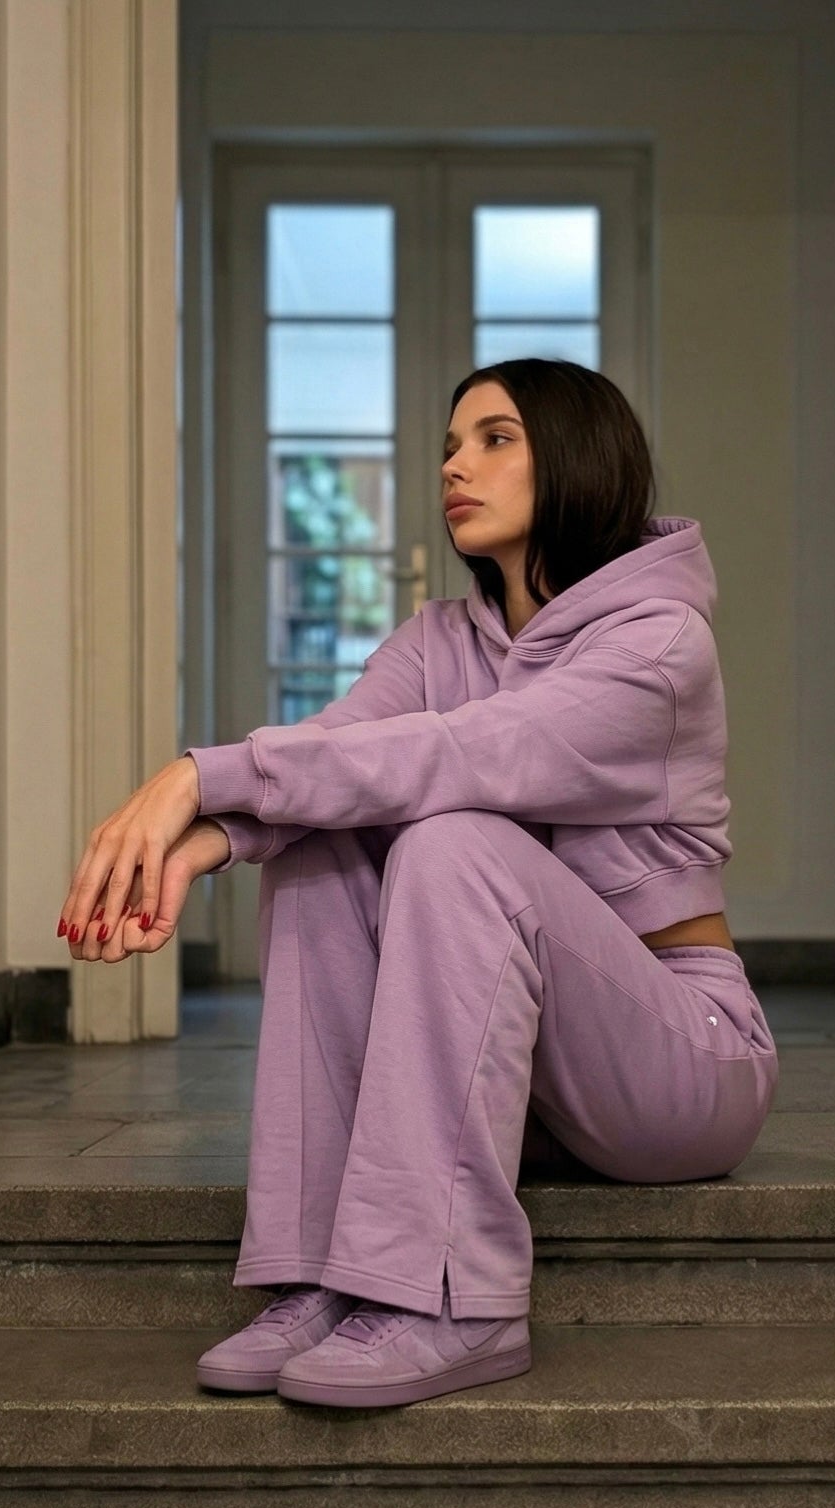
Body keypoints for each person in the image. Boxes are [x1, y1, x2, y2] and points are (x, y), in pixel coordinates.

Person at [57, 357, 780, 1411]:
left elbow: (461, 755)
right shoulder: (437, 638)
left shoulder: (658, 644)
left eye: (495, 439)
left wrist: (193, 777)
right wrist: (196, 845)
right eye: (449, 445)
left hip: (682, 1064)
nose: (453, 465)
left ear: (576, 458)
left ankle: (456, 1300)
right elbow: (336, 752)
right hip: (533, 1079)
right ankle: (323, 1273)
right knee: (320, 841)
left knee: (450, 839)